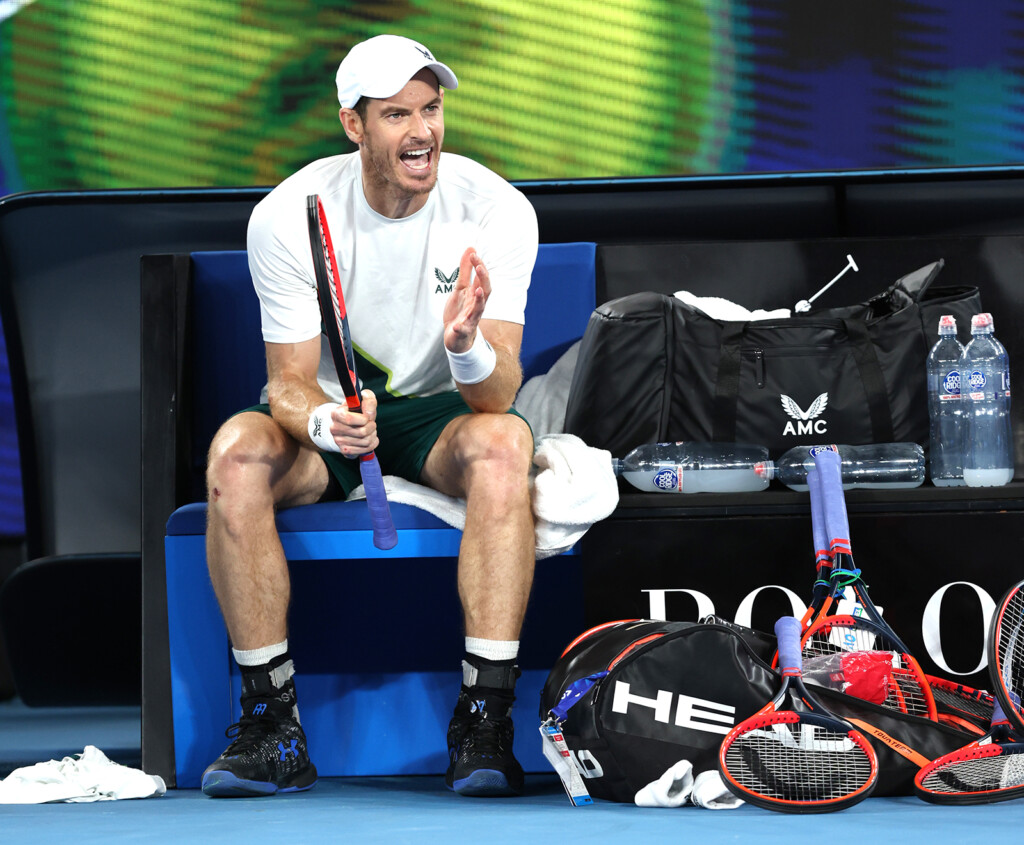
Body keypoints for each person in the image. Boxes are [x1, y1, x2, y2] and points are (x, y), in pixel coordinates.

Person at [199, 34, 540, 799]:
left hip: (440, 415)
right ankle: (272, 727)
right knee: (233, 456)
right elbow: (285, 381)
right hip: (326, 421)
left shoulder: (496, 211)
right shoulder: (290, 214)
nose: (422, 132)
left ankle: (484, 720)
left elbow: (499, 395)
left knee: (506, 445)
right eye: (396, 115)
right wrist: (325, 424)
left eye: (431, 108)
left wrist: (464, 348)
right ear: (354, 127)